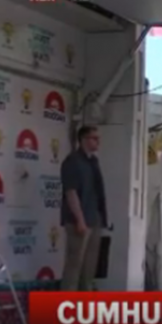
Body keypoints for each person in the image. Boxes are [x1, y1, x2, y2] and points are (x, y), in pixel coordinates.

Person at [60, 125, 107, 291]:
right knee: (74, 266)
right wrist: (80, 220)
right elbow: (71, 192)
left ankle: (85, 302)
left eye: (98, 138)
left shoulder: (94, 162)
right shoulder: (72, 161)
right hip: (78, 221)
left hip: (94, 219)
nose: (98, 142)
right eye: (94, 138)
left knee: (89, 269)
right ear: (83, 140)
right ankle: (67, 301)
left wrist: (100, 218)